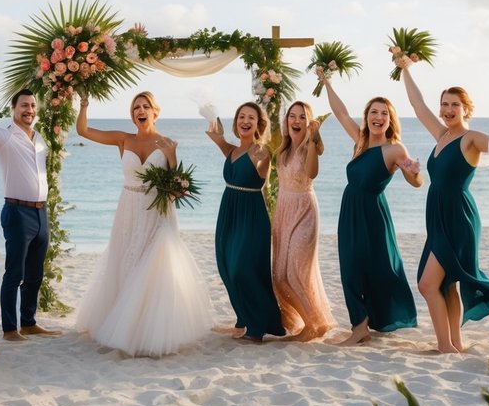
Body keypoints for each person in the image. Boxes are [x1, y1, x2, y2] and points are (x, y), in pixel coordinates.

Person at [74, 92, 213, 357]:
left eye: (145, 106)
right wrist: (83, 105)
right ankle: (122, 325)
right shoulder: (123, 139)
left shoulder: (167, 143)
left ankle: (147, 331)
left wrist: (172, 155)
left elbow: (176, 189)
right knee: (126, 261)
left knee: (152, 266)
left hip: (156, 212)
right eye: (136, 107)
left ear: (155, 112)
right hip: (128, 209)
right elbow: (83, 131)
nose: (140, 110)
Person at [397, 58, 489, 354]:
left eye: (455, 105)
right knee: (445, 284)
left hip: (459, 218)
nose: (448, 110)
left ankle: (444, 346)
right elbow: (417, 105)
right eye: (444, 104)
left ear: (466, 109)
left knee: (427, 284)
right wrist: (404, 69)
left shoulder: (470, 138)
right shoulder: (442, 135)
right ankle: (455, 343)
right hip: (438, 219)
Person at [320, 74, 422, 346]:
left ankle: (365, 326)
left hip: (373, 215)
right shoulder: (360, 141)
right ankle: (360, 326)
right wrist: (327, 82)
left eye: (384, 113)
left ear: (390, 120)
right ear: (366, 117)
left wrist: (414, 172)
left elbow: (416, 182)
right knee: (350, 268)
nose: (378, 117)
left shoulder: (394, 148)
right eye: (374, 112)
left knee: (377, 268)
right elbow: (341, 113)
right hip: (349, 213)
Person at [206, 101, 285, 343]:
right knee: (226, 267)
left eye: (251, 117)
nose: (245, 121)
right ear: (236, 122)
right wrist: (213, 124)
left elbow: (263, 166)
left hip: (251, 215)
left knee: (242, 270)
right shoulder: (232, 151)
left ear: (258, 124)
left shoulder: (261, 152)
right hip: (229, 212)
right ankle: (243, 317)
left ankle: (257, 326)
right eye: (242, 116)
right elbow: (218, 138)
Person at [0, 89, 59, 341]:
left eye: (33, 105)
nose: (30, 110)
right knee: (14, 272)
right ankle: (9, 329)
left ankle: (28, 323)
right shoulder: (3, 136)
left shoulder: (40, 138)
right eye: (24, 105)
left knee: (35, 273)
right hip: (17, 212)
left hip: (40, 212)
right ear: (13, 108)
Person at [270, 100, 335, 342]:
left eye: (302, 117)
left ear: (309, 123)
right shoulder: (282, 150)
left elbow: (312, 173)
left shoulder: (309, 148)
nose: (296, 120)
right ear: (287, 121)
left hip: (304, 211)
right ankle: (310, 321)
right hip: (283, 212)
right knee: (279, 276)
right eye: (292, 116)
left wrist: (314, 140)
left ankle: (313, 324)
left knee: (295, 272)